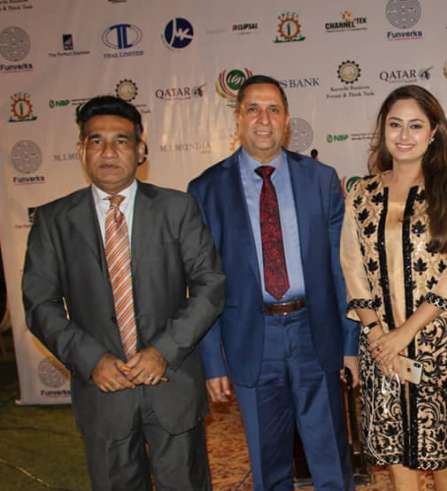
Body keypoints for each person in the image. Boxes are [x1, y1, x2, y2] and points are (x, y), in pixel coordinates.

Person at [22, 95, 225, 490]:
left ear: (141, 150)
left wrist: (163, 351)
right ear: (81, 150)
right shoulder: (53, 220)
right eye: (96, 141)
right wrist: (91, 360)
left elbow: (210, 284)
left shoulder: (177, 208)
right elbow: (39, 304)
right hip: (103, 392)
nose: (108, 152)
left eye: (121, 140)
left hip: (171, 384)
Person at [188, 75, 358, 490]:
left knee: (332, 460)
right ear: (238, 118)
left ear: (286, 120)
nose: (263, 119)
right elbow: (202, 283)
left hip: (315, 334)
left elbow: (343, 270)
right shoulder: (206, 189)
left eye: (273, 110)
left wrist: (350, 345)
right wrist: (213, 362)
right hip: (252, 339)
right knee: (269, 466)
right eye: (253, 109)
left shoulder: (320, 179)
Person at [340, 85, 447, 490]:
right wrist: (377, 333)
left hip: (443, 344)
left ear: (433, 132)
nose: (404, 135)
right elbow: (352, 266)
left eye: (415, 125)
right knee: (397, 462)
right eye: (395, 125)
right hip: (381, 347)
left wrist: (405, 333)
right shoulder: (361, 193)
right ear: (383, 130)